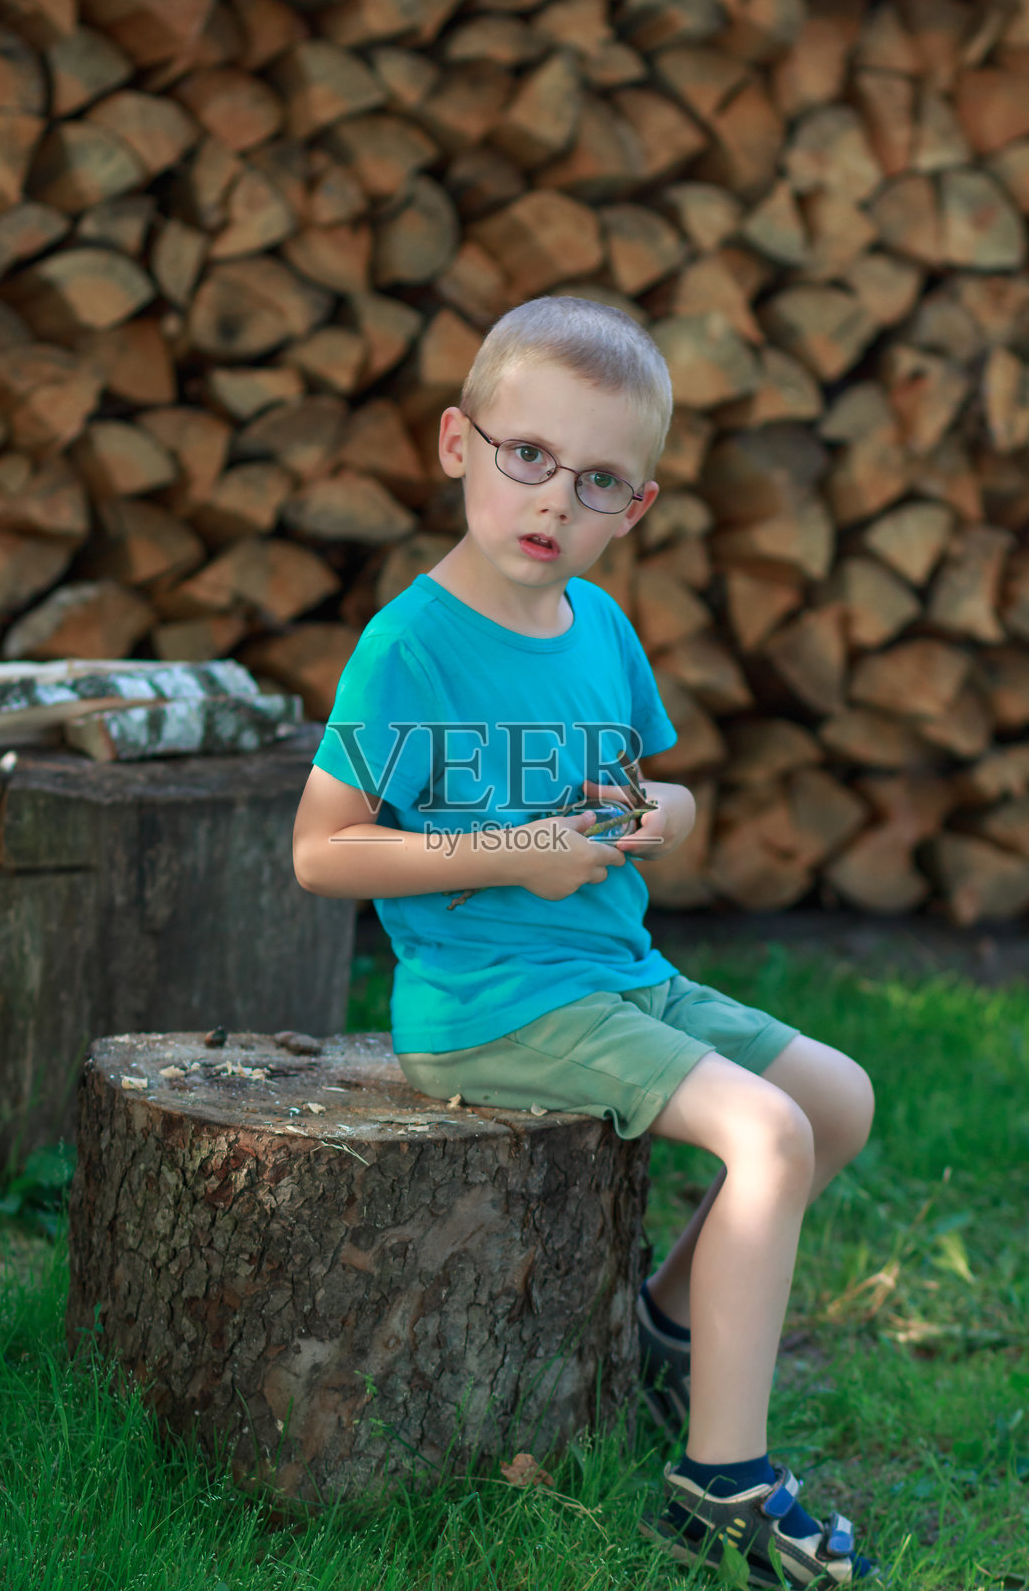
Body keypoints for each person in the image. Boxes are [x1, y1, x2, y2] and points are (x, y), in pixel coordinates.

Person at [293, 296, 880, 1587]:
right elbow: (321, 851)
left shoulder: (599, 628)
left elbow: (656, 791)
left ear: (639, 505)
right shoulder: (410, 651)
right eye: (530, 457)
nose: (555, 499)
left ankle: (668, 1333)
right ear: (460, 444)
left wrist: (653, 814)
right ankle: (722, 1484)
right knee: (764, 1131)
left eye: (598, 479)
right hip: (494, 1003)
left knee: (835, 1099)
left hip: (621, 977)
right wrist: (513, 853)